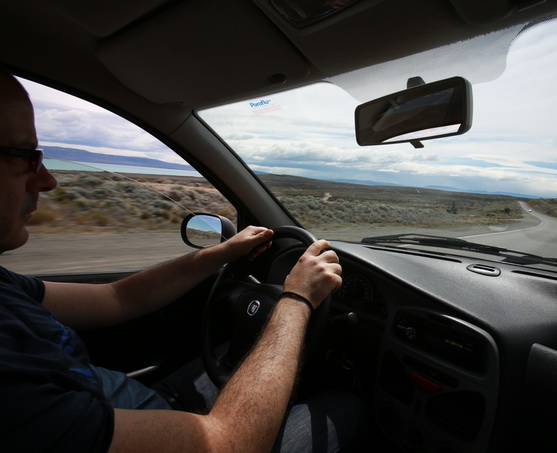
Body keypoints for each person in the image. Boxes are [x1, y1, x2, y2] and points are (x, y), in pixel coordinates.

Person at [0, 67, 364, 452]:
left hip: (133, 411)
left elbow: (117, 298)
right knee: (348, 408)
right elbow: (229, 445)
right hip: (180, 433)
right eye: (26, 157)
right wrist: (297, 300)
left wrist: (222, 252)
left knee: (235, 352)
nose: (48, 180)